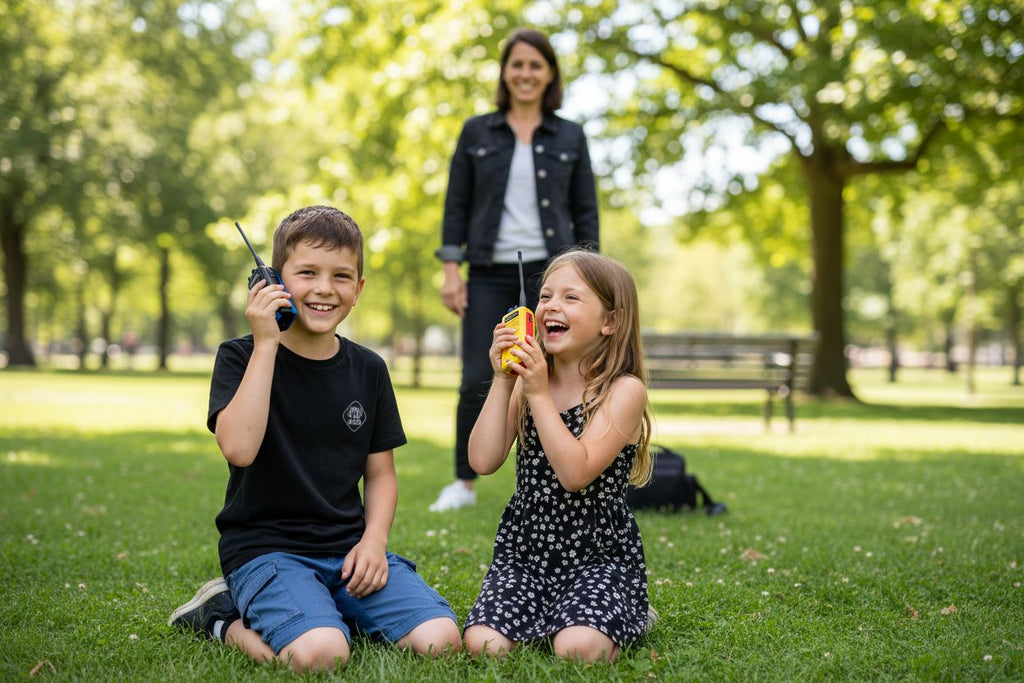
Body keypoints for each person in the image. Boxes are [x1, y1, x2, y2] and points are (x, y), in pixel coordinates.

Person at [168, 206, 461, 673]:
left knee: (440, 640)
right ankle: (221, 617)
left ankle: (323, 604)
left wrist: (373, 542)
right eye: (307, 272)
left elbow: (381, 474)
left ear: (358, 289)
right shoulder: (240, 356)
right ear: (273, 281)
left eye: (341, 276)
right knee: (322, 654)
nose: (325, 289)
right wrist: (266, 342)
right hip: (266, 550)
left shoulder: (369, 369)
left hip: (347, 549)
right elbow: (239, 448)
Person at [431, 27, 600, 512]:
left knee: (563, 371)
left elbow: (585, 212)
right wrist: (451, 270)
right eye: (517, 65)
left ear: (550, 74)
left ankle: (565, 470)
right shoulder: (476, 131)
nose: (526, 74)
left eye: (535, 65)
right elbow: (455, 204)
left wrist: (591, 277)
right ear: (506, 73)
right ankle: (464, 483)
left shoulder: (570, 135)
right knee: (477, 375)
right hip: (487, 270)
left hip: (554, 273)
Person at [462, 248, 654, 663]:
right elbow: (482, 460)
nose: (551, 305)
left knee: (579, 649)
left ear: (610, 321)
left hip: (597, 557)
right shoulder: (525, 383)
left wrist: (538, 393)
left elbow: (575, 473)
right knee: (483, 646)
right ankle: (555, 613)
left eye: (571, 297)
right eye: (545, 295)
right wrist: (502, 380)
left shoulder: (623, 391)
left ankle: (624, 608)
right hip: (526, 552)